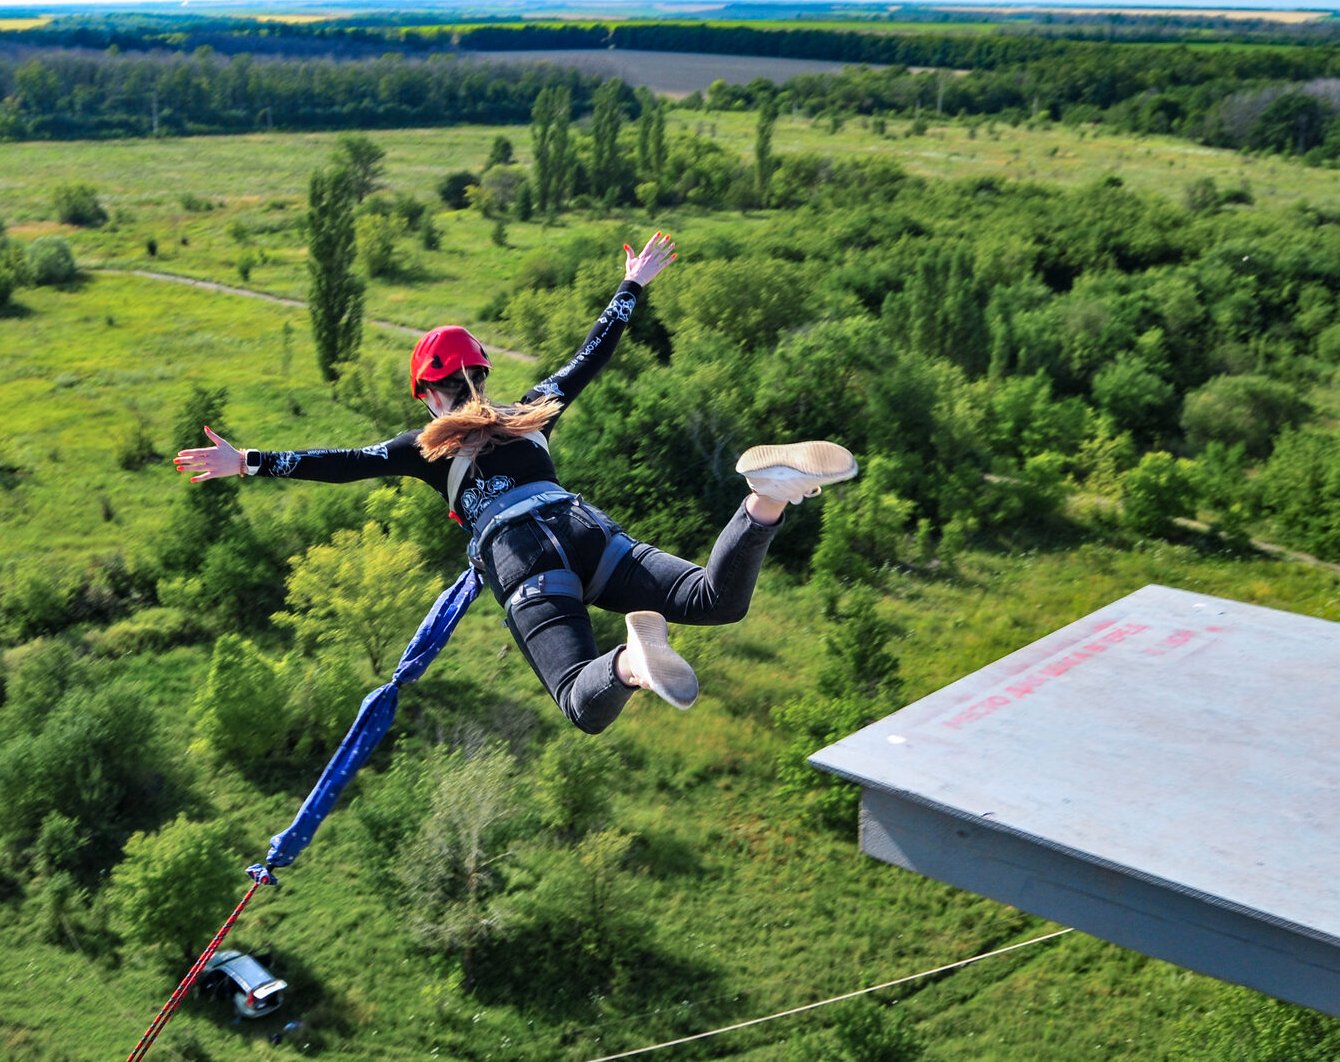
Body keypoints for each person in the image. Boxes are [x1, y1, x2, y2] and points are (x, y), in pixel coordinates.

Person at [175, 232, 857, 734]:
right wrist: (631, 286)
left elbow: (342, 460)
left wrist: (250, 461)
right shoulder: (533, 411)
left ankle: (631, 663)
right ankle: (766, 496)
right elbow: (591, 354)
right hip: (582, 526)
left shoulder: (426, 445)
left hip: (521, 553)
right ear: (482, 374)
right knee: (711, 599)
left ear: (428, 395)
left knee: (576, 697)